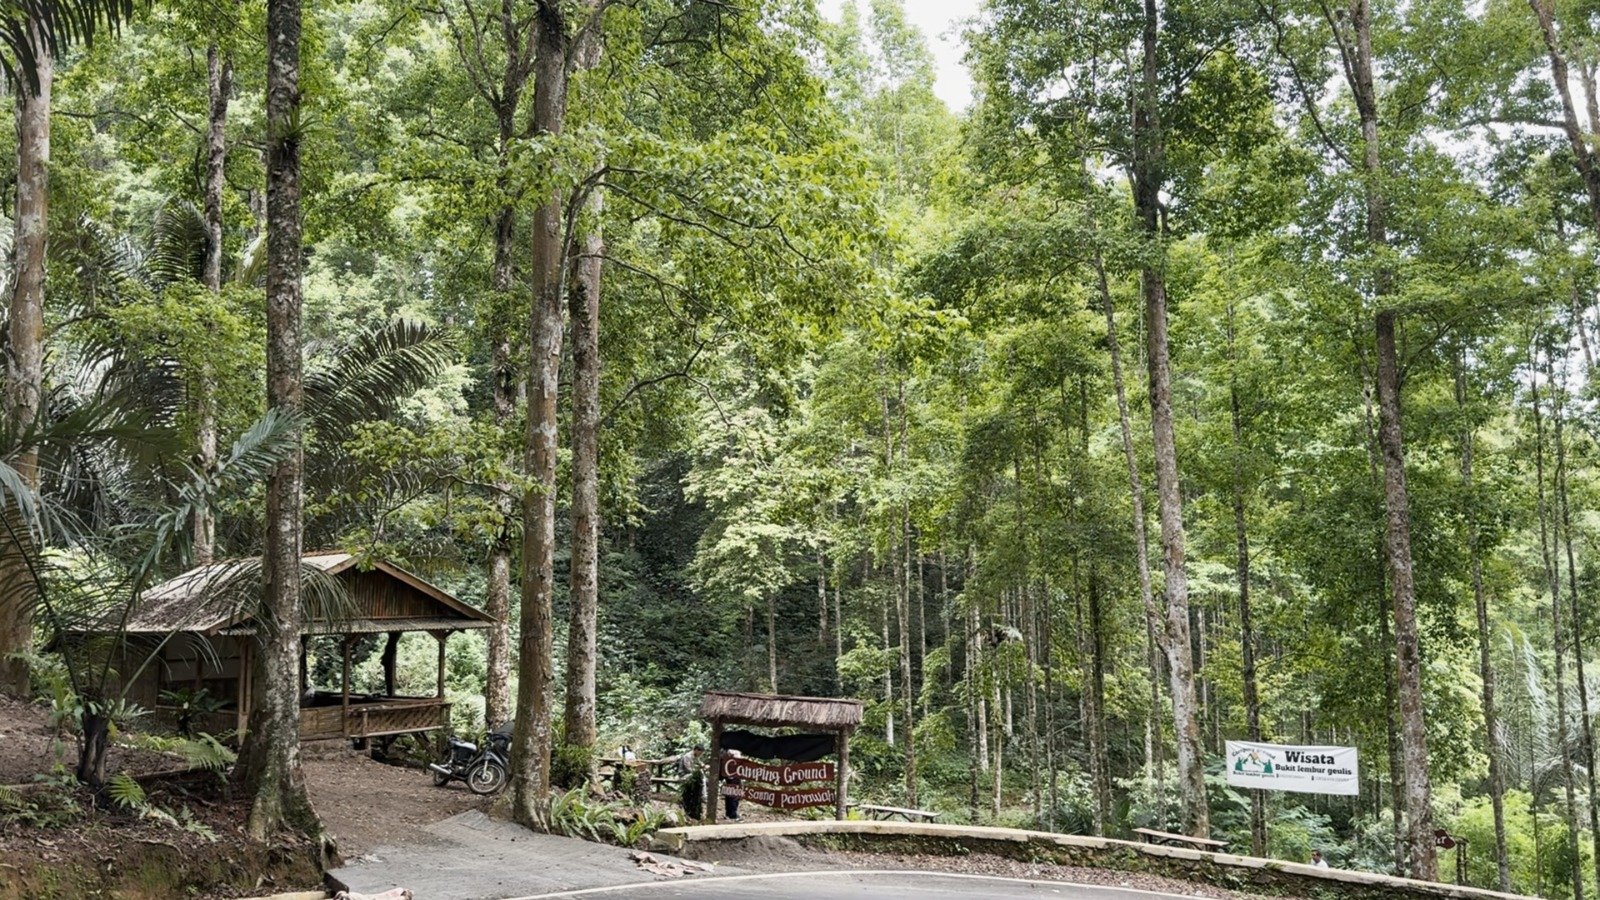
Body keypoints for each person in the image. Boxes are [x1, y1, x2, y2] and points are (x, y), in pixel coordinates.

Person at [721, 749, 743, 821]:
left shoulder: (725, 751)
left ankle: (728, 813)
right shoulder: (734, 751)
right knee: (735, 794)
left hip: (727, 775)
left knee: (729, 794)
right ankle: (733, 814)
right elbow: (738, 762)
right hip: (734, 775)